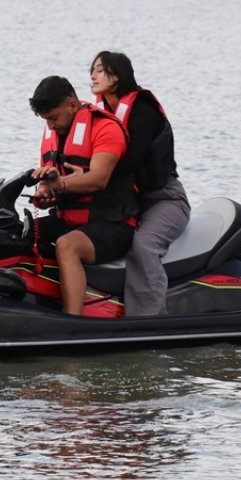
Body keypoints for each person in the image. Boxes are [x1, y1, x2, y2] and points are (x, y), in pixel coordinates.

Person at [89, 51, 190, 316]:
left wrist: (89, 176)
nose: (93, 75)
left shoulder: (142, 110)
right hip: (127, 203)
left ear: (118, 75)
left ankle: (150, 319)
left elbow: (131, 161)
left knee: (143, 247)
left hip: (164, 199)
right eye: (93, 70)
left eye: (100, 69)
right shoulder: (101, 115)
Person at [28, 76, 139, 315]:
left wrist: (61, 185)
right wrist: (44, 192)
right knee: (21, 231)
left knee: (68, 246)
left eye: (53, 118)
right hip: (70, 221)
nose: (50, 126)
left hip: (114, 225)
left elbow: (99, 178)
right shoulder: (54, 134)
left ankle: (73, 320)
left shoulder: (105, 128)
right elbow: (52, 182)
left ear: (71, 104)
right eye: (46, 120)